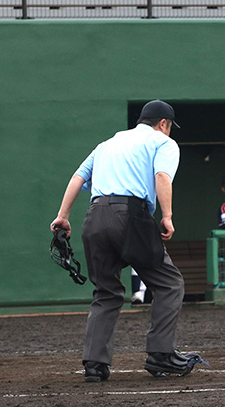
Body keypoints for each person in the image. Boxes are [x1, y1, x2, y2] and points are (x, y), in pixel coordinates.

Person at [49, 99, 198, 382]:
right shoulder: (163, 142)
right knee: (169, 284)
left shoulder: (106, 144)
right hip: (131, 216)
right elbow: (162, 177)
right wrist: (167, 216)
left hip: (94, 217)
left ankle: (94, 364)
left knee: (106, 292)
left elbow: (78, 178)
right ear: (163, 124)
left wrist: (63, 216)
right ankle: (161, 354)